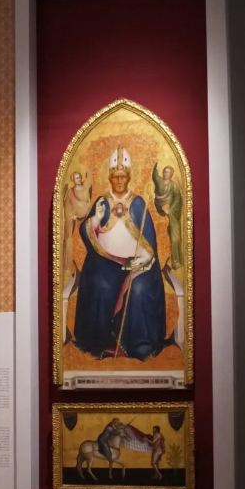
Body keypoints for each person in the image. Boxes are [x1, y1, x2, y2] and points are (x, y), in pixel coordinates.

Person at [73, 146, 167, 361]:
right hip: (105, 262)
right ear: (109, 177)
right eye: (115, 177)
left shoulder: (138, 203)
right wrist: (95, 220)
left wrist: (144, 258)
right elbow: (86, 233)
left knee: (139, 290)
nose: (119, 181)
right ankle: (99, 342)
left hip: (136, 264)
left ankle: (139, 345)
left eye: (123, 176)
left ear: (129, 177)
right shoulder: (102, 202)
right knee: (100, 285)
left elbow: (149, 241)